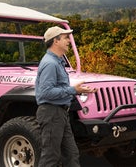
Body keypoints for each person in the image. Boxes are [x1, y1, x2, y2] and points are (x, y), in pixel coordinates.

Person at [35, 26, 97, 167]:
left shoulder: (58, 62)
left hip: (60, 113)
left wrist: (79, 90)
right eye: (65, 38)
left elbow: (59, 88)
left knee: (71, 154)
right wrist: (72, 90)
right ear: (55, 41)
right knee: (51, 157)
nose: (69, 40)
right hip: (51, 113)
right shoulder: (50, 64)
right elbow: (46, 93)